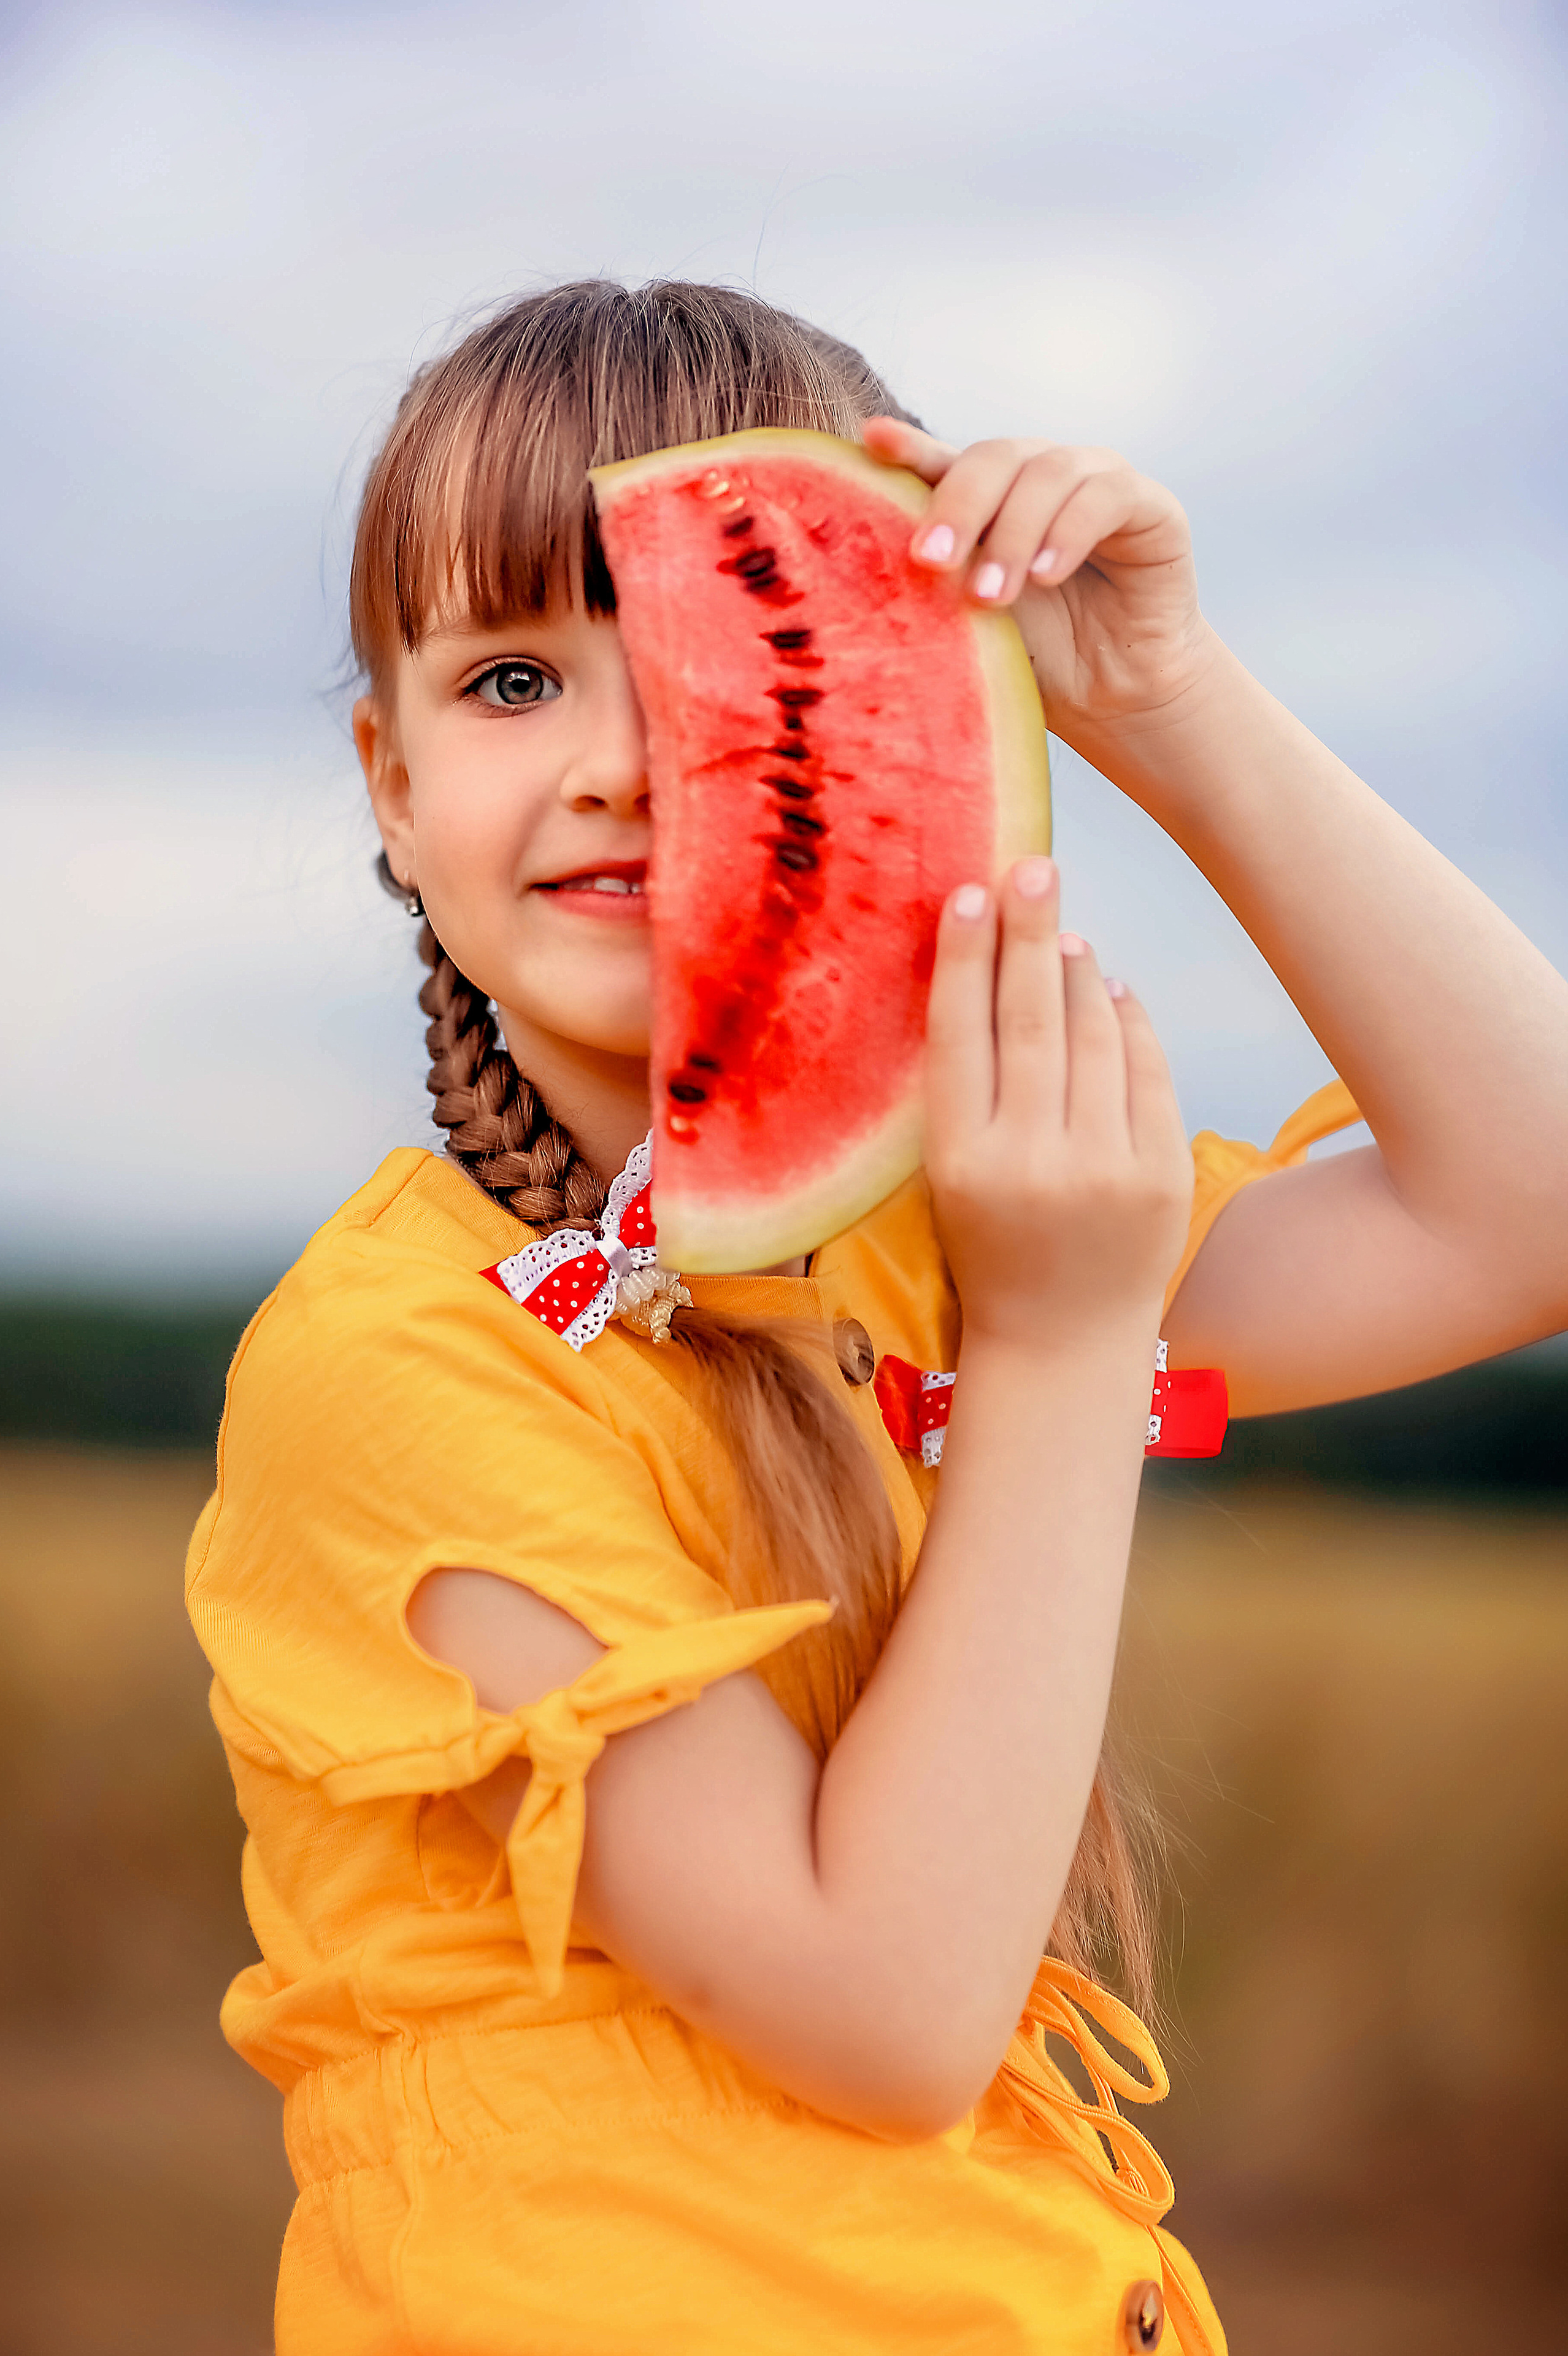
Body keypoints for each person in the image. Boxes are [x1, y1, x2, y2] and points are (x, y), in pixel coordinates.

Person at [185, 279, 1568, 2356]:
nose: (627, 767)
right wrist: (1065, 1349)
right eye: (507, 683)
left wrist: (1174, 709)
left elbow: (1523, 1208)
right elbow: (889, 2009)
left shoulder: (936, 1236)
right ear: (389, 784)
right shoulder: (402, 1366)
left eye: (736, 673)